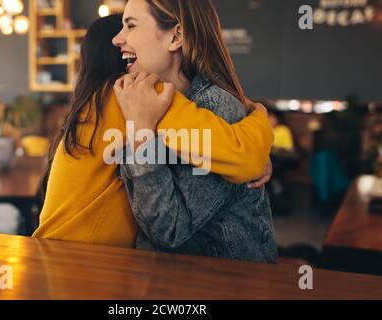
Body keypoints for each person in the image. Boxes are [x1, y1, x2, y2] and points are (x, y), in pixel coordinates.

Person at [33, 14, 274, 254]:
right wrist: (257, 114)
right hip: (84, 264)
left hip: (57, 254)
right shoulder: (132, 92)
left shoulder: (96, 102)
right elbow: (244, 156)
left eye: (132, 27)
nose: (121, 39)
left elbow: (213, 145)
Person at [112, 0, 277, 262]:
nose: (117, 38)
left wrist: (141, 135)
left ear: (176, 36)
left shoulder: (216, 108)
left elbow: (169, 230)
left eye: (130, 25)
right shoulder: (142, 100)